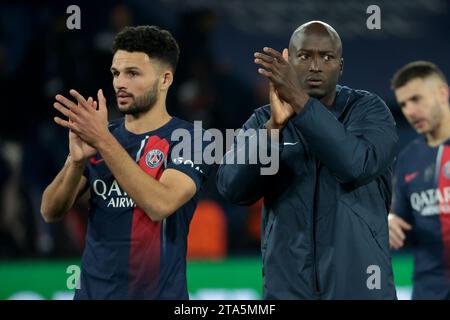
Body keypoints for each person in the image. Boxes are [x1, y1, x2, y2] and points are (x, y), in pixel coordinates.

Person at [216, 20, 398, 299]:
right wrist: (273, 131)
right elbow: (232, 188)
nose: (316, 66)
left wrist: (300, 103)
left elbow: (354, 165)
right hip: (287, 289)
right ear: (290, 62)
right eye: (305, 56)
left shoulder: (369, 110)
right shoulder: (264, 120)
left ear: (341, 65)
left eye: (327, 57)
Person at [40, 25, 211, 299]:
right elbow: (50, 211)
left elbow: (159, 205)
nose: (120, 83)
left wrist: (103, 141)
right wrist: (75, 162)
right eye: (116, 73)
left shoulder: (190, 139)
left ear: (165, 79)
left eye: (133, 74)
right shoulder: (102, 138)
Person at [389, 61, 450, 299]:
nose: (409, 111)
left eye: (416, 99)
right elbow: (402, 222)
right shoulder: (408, 158)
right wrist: (390, 221)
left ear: (442, 93)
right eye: (403, 104)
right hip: (428, 289)